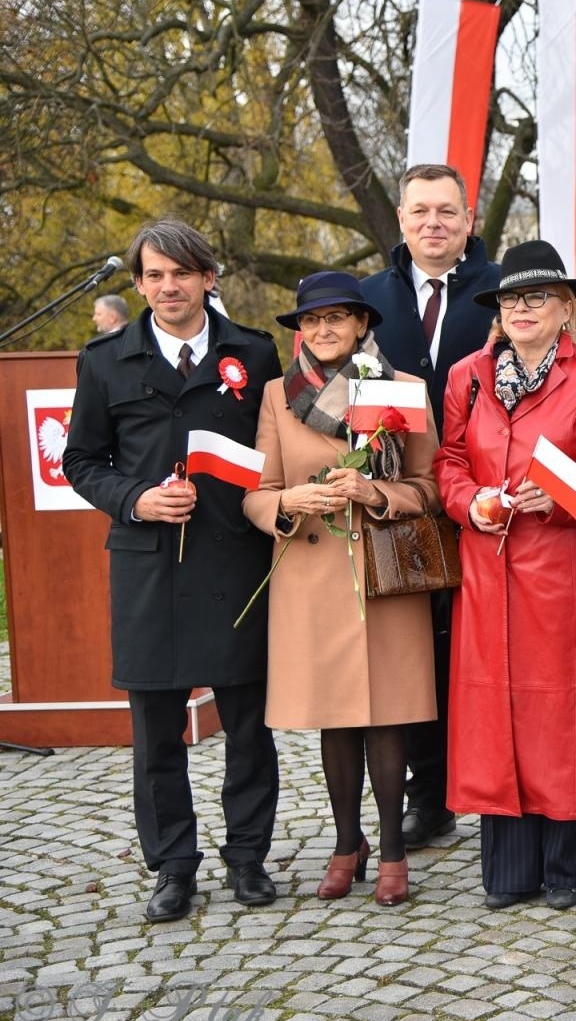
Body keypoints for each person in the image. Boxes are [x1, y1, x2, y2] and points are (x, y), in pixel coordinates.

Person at [62, 218, 282, 922]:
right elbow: (81, 461)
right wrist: (135, 498)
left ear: (208, 278)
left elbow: (276, 449)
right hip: (149, 569)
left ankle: (247, 857)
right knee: (157, 734)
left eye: (181, 273)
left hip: (234, 561)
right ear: (138, 284)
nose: (168, 287)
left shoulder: (254, 352)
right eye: (153, 275)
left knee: (248, 726)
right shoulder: (104, 361)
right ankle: (173, 866)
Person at [434, 240, 576, 910]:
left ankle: (566, 864)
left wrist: (562, 495)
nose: (521, 309)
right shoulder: (467, 376)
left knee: (562, 712)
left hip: (563, 569)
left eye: (537, 297)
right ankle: (510, 868)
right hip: (489, 568)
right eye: (511, 299)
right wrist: (470, 503)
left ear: (564, 308)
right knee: (496, 711)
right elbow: (449, 460)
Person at [241, 272, 441, 907]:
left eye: (335, 318)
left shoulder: (400, 389)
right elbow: (256, 493)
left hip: (384, 573)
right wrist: (289, 502)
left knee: (386, 714)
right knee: (336, 715)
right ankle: (345, 844)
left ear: (361, 325)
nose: (322, 329)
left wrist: (374, 491)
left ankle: (393, 851)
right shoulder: (277, 395)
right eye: (311, 320)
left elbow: (431, 486)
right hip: (311, 575)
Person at [362, 163, 501, 850]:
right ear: (401, 219)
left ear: (468, 220)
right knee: (415, 652)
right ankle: (429, 794)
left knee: (484, 651)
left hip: (487, 501)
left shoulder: (504, 291)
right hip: (402, 505)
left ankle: (498, 789)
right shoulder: (367, 298)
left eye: (447, 211)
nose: (433, 223)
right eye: (420, 211)